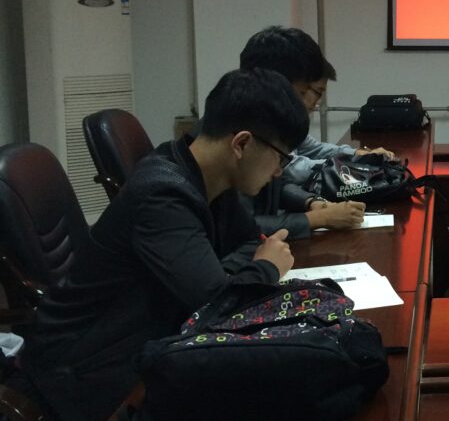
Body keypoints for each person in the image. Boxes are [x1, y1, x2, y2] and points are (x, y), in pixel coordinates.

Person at [17, 69, 306, 421]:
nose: (279, 172)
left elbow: (250, 242)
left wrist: (230, 274)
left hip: (145, 343)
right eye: (281, 157)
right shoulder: (162, 194)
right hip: (86, 376)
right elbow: (217, 306)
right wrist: (265, 268)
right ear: (241, 144)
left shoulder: (209, 177)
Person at [205, 26, 394, 238]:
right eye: (302, 91)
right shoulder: (239, 132)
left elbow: (275, 186)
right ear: (275, 82)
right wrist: (318, 219)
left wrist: (311, 202)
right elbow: (239, 228)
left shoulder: (265, 123)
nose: (278, 170)